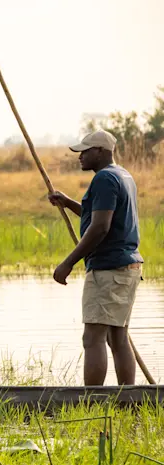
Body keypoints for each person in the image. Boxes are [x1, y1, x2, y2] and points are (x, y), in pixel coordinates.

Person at [48, 129, 143, 386]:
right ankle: (128, 399)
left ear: (100, 152)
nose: (79, 156)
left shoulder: (104, 179)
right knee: (117, 338)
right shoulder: (123, 175)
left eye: (85, 151)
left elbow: (100, 228)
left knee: (93, 338)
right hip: (127, 266)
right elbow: (99, 218)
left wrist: (68, 263)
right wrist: (68, 203)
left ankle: (92, 403)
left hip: (108, 269)